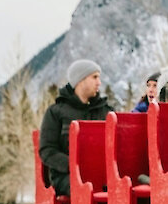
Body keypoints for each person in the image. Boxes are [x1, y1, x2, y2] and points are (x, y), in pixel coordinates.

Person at [38, 59, 114, 196]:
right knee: (84, 189)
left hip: (102, 176)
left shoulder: (106, 112)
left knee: (120, 190)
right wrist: (74, 165)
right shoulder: (56, 112)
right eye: (94, 77)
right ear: (80, 80)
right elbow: (47, 151)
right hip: (66, 177)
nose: (99, 82)